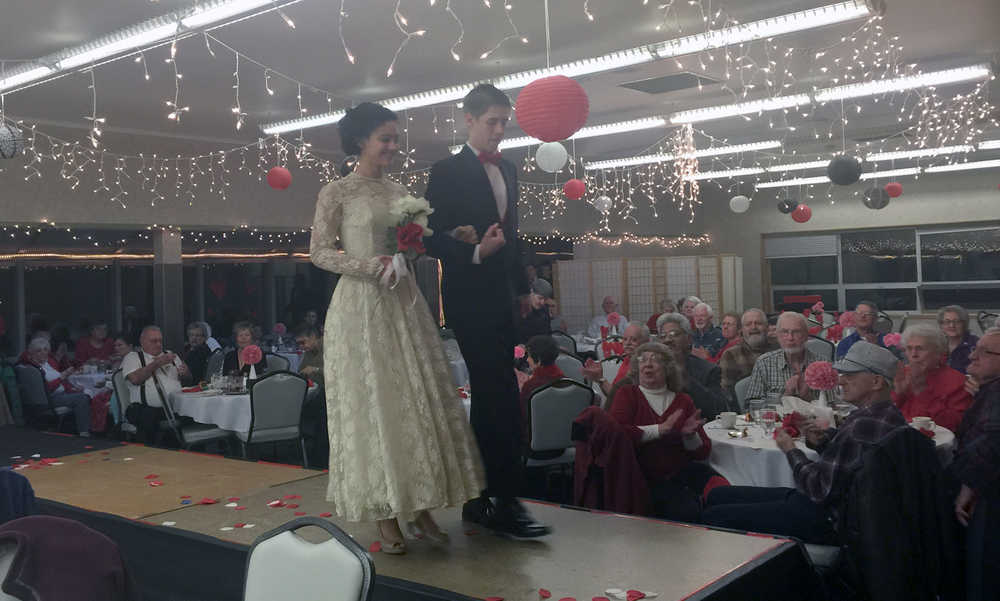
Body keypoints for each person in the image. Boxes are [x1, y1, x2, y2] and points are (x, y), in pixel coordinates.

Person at [311, 101, 486, 553]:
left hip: (404, 302)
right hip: (361, 305)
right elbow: (320, 253)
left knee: (414, 404)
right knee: (376, 405)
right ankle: (384, 514)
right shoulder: (338, 192)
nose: (393, 145)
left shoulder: (400, 191)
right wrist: (371, 266)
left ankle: (419, 503)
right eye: (385, 137)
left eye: (394, 137)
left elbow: (412, 247)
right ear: (360, 141)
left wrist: (422, 248)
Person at [424, 84, 549, 539]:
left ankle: (484, 498)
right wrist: (475, 252)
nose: (500, 130)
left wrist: (523, 288)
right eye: (491, 121)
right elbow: (427, 236)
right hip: (468, 298)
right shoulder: (447, 170)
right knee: (498, 396)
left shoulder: (510, 169)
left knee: (496, 397)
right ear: (468, 119)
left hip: (502, 298)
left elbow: (510, 236)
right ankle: (504, 500)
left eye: (504, 121)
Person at [702, 341, 906, 543]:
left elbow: (818, 489)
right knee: (719, 495)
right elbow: (852, 464)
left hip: (832, 519)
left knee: (715, 514)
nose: (841, 381)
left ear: (877, 382)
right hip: (852, 511)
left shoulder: (861, 426)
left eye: (850, 376)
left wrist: (790, 450)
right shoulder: (887, 416)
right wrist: (823, 441)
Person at [608, 342, 727, 521]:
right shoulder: (627, 394)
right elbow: (616, 434)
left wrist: (690, 436)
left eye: (655, 360)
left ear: (668, 369)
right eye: (643, 360)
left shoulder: (683, 400)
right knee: (689, 512)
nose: (648, 364)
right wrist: (659, 430)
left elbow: (703, 451)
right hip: (641, 476)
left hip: (681, 474)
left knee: (724, 496)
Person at [952, 328, 1000, 601]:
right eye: (976, 348)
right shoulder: (990, 389)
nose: (973, 355)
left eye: (985, 352)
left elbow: (992, 442)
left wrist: (967, 486)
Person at [892, 323, 972, 432]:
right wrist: (898, 394)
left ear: (938, 352)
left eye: (920, 348)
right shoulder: (902, 374)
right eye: (909, 348)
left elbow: (954, 424)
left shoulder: (958, 381)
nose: (914, 354)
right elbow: (884, 413)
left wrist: (922, 392)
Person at [121, 325, 189, 443]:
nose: (158, 344)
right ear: (142, 342)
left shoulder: (171, 355)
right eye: (154, 341)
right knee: (149, 417)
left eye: (160, 341)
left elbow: (188, 380)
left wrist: (186, 373)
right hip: (146, 409)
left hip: (175, 407)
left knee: (195, 414)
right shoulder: (133, 357)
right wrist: (157, 363)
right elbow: (135, 379)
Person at [656, 313, 730, 419]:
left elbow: (719, 410)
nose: (667, 340)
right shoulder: (651, 368)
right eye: (663, 336)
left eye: (674, 334)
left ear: (689, 339)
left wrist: (686, 378)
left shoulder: (709, 370)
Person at [745, 311, 822, 402]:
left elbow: (833, 408)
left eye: (796, 332)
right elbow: (751, 407)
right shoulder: (764, 363)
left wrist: (807, 397)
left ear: (806, 336)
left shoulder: (821, 364)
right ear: (777, 335)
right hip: (777, 416)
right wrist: (786, 395)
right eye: (785, 332)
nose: (790, 338)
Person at [19, 337, 90, 436]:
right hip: (49, 399)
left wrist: (72, 389)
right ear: (32, 353)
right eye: (39, 351)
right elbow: (46, 389)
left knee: (87, 392)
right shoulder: (34, 370)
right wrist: (62, 377)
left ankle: (90, 428)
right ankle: (84, 433)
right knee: (82, 398)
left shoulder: (48, 363)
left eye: (45, 349)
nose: (43, 353)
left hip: (61, 394)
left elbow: (62, 383)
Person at [718, 309, 779, 403]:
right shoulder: (731, 354)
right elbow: (726, 393)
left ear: (767, 327)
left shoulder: (778, 349)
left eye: (758, 323)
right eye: (748, 324)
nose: (753, 327)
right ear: (741, 330)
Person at [582, 321, 649, 398]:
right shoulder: (628, 359)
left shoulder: (644, 366)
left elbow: (620, 398)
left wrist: (601, 379)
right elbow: (614, 395)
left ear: (646, 343)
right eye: (625, 339)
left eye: (634, 340)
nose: (627, 343)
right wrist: (600, 379)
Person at [518, 335, 566, 442]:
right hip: (561, 443)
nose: (527, 360)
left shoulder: (531, 386)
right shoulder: (565, 381)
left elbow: (522, 419)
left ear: (538, 360)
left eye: (529, 356)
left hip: (535, 446)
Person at [295, 324, 328, 469]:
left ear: (314, 337)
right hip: (314, 393)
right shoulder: (308, 352)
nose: (302, 347)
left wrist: (315, 369)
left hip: (329, 393)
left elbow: (338, 370)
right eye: (299, 344)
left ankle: (319, 460)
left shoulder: (329, 346)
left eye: (303, 342)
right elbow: (301, 371)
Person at [938, 305, 978, 374]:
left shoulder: (976, 344)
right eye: (947, 322)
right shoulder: (936, 344)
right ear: (941, 325)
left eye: (957, 322)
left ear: (964, 324)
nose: (952, 325)